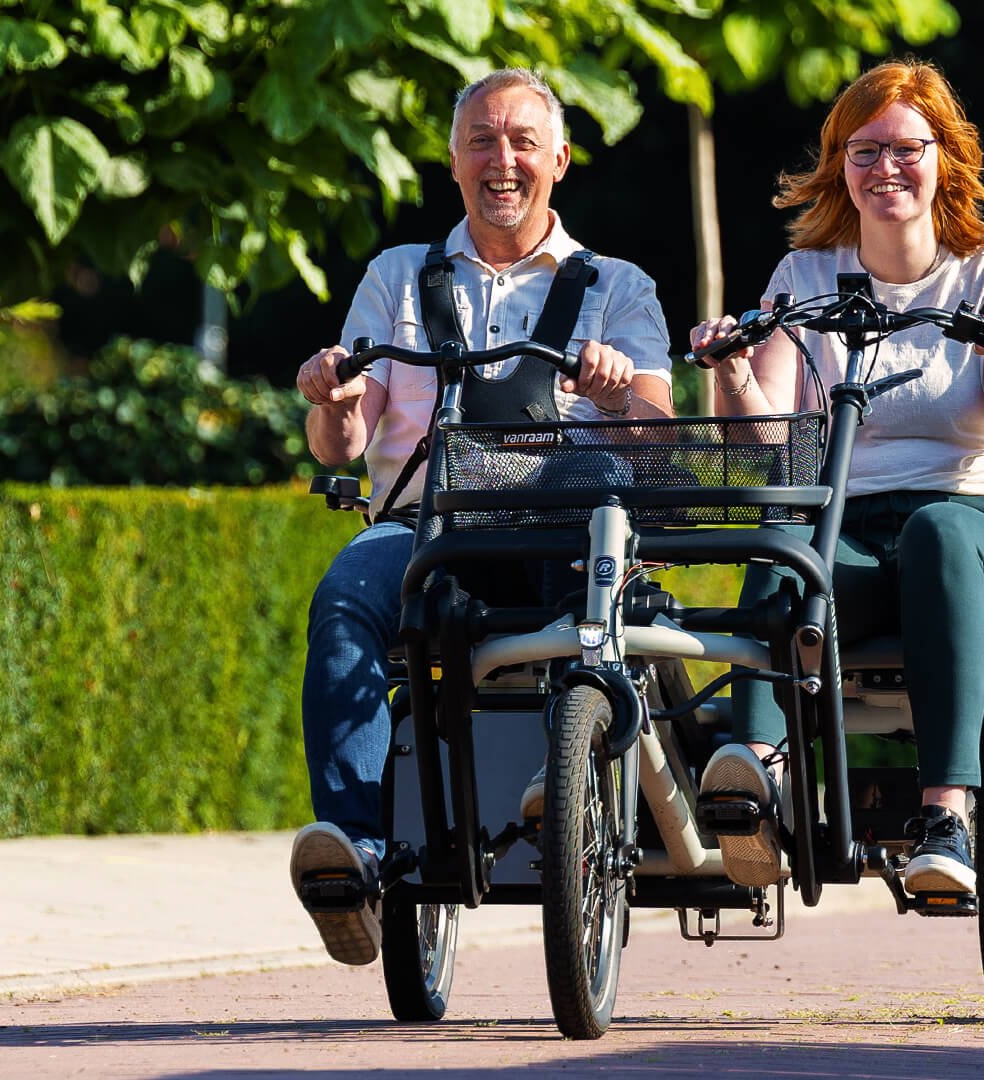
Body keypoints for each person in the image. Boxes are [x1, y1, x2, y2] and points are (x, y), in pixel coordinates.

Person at [288, 68, 675, 966]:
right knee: (344, 598)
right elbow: (342, 444)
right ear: (455, 162)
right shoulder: (396, 276)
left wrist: (616, 396)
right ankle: (359, 853)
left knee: (591, 488)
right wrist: (332, 398)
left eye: (523, 142)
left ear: (560, 160)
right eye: (482, 142)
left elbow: (659, 443)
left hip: (564, 537)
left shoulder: (618, 287)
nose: (503, 161)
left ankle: (560, 774)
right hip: (424, 533)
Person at [688, 59, 984, 895]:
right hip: (850, 534)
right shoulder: (806, 278)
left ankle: (945, 819)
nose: (885, 168)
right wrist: (733, 370)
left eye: (905, 149)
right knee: (786, 545)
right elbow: (767, 444)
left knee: (938, 530)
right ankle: (755, 780)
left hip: (977, 537)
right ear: (841, 166)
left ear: (944, 158)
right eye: (864, 151)